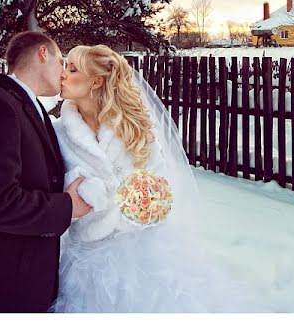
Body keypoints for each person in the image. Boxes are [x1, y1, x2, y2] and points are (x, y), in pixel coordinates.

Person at [50, 44, 254, 312]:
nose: (62, 74)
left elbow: (160, 184)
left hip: (142, 253)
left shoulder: (134, 129)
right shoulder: (58, 132)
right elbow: (53, 191)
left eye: (72, 68)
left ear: (96, 81)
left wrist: (140, 206)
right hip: (83, 257)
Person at [0, 31, 93, 312]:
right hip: (4, 293)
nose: (63, 73)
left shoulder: (27, 108)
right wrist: (66, 207)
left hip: (29, 286)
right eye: (60, 61)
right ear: (43, 54)